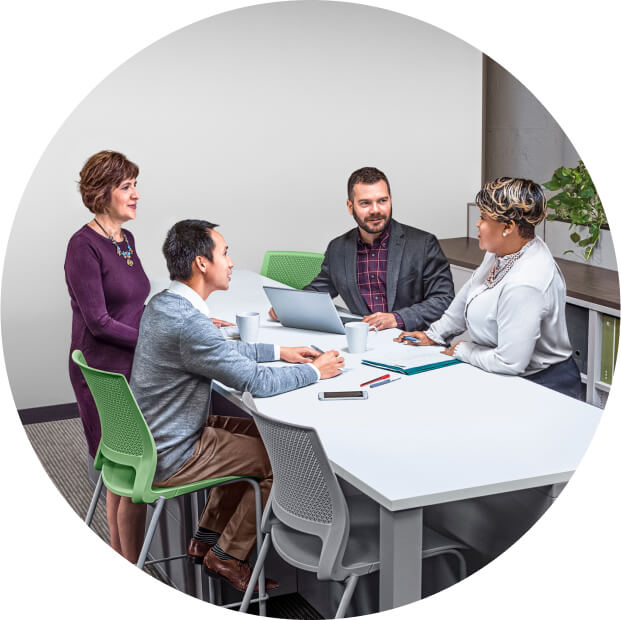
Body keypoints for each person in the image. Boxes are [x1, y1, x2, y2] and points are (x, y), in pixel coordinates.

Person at [129, 219, 343, 592]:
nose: (230, 262)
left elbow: (221, 350)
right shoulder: (188, 323)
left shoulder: (165, 303)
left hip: (155, 434)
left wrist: (280, 351)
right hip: (174, 450)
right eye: (224, 253)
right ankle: (227, 556)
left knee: (258, 434)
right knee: (282, 458)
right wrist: (314, 371)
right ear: (201, 263)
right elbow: (255, 382)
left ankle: (207, 539)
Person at [395, 176, 582, 400]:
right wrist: (434, 335)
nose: (477, 224)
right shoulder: (503, 250)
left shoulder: (526, 283)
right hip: (505, 375)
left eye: (483, 218)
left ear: (508, 227)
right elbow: (471, 292)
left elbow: (510, 362)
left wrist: (463, 350)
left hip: (543, 384)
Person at [65, 151, 150, 563]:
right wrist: (154, 343)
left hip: (130, 364)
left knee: (127, 475)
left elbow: (134, 305)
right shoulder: (83, 246)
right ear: (103, 194)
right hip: (103, 372)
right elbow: (98, 322)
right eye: (127, 187)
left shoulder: (126, 240)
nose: (137, 194)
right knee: (126, 473)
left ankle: (122, 560)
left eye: (135, 185)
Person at [269, 166, 454, 331]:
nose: (375, 210)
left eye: (382, 201)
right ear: (350, 206)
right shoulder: (338, 248)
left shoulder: (423, 244)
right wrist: (288, 306)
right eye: (365, 203)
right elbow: (319, 291)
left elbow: (443, 299)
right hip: (365, 343)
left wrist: (396, 319)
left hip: (412, 343)